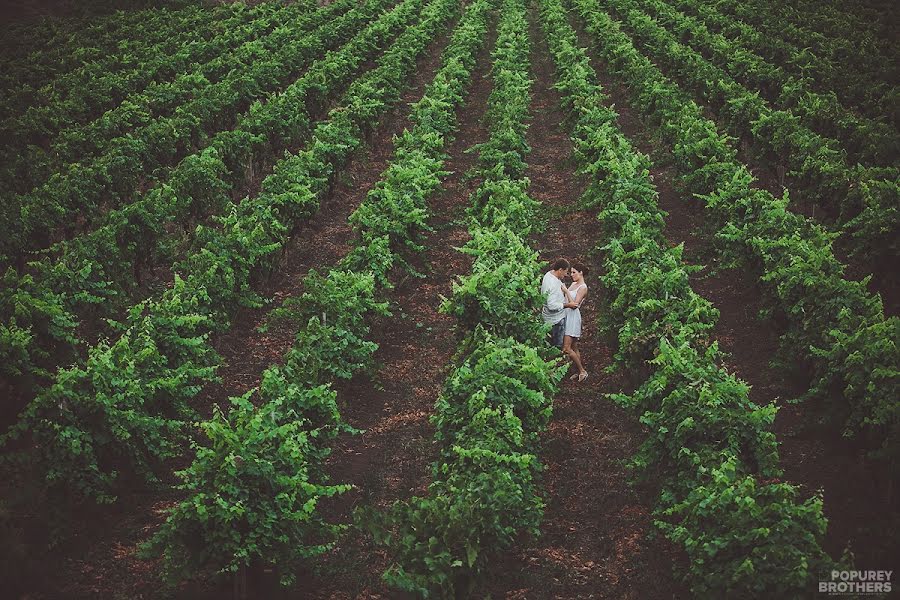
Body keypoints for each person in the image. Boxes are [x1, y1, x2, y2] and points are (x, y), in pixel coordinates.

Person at [562, 262, 589, 382]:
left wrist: (566, 291)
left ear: (581, 273)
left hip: (572, 317)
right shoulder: (573, 283)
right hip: (566, 314)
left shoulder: (583, 287)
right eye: (571, 272)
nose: (571, 274)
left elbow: (575, 305)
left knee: (566, 348)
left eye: (574, 272)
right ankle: (578, 371)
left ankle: (582, 370)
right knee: (574, 346)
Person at [541, 258, 569, 349]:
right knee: (556, 347)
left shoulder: (549, 274)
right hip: (556, 320)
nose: (566, 275)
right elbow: (551, 305)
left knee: (549, 345)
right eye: (565, 272)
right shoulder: (552, 284)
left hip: (547, 318)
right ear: (560, 270)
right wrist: (566, 305)